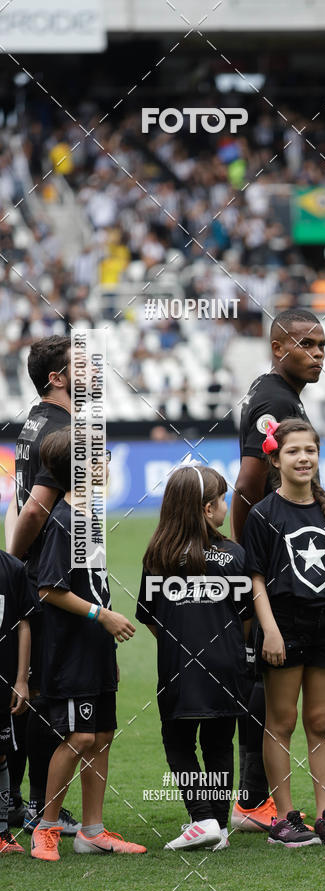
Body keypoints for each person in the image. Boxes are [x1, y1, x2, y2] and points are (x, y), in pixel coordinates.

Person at [242, 417, 325, 847]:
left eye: (309, 450)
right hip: (283, 627)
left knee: (321, 721)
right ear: (275, 458)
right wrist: (269, 631)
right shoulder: (262, 514)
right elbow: (255, 578)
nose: (303, 458)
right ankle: (284, 818)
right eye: (293, 451)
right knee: (282, 721)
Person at [230, 308, 325, 832]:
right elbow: (247, 484)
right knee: (266, 681)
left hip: (273, 559)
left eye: (322, 346)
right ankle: (252, 801)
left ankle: (255, 799)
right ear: (277, 348)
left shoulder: (274, 393)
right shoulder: (274, 399)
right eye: (306, 345)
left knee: (266, 679)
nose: (316, 355)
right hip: (271, 564)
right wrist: (250, 560)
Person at [30, 427, 146, 861]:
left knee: (102, 735)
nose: (107, 462)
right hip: (71, 650)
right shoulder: (63, 521)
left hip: (96, 649)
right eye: (100, 456)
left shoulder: (88, 517)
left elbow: (93, 587)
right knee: (79, 736)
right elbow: (49, 588)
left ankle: (92, 832)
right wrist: (103, 617)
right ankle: (47, 826)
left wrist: (108, 645)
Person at [136, 460, 253, 852]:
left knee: (178, 741)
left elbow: (150, 619)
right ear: (207, 509)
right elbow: (246, 618)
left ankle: (202, 816)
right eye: (222, 499)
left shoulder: (158, 556)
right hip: (227, 666)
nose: (226, 505)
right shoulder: (234, 555)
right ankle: (216, 825)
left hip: (179, 670)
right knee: (220, 743)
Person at [4, 336, 79, 835]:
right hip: (48, 571)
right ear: (56, 377)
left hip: (34, 572)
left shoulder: (33, 420)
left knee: (36, 690)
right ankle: (36, 807)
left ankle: (23, 804)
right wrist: (16, 562)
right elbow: (34, 507)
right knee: (51, 693)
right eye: (80, 367)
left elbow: (21, 500)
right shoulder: (63, 427)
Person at [0, 549, 38, 853]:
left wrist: (22, 679)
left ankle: (1, 833)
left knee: (0, 754)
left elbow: (25, 622)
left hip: (3, 681)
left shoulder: (11, 568)